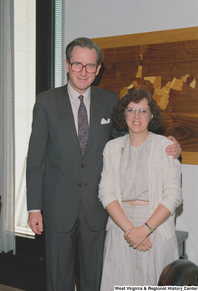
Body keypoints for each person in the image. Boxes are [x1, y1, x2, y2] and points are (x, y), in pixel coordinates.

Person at [26, 38, 181, 291]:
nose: (83, 71)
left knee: (96, 279)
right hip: (57, 208)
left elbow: (130, 140)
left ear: (98, 69)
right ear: (67, 65)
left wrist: (172, 148)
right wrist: (34, 208)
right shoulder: (46, 102)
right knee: (58, 279)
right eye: (78, 64)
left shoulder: (110, 100)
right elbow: (35, 159)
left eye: (90, 66)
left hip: (97, 210)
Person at [98, 88, 182, 289]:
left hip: (155, 228)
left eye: (143, 111)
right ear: (124, 114)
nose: (137, 116)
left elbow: (173, 195)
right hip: (121, 228)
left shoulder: (165, 146)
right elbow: (106, 191)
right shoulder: (111, 148)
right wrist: (131, 231)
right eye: (131, 110)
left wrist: (144, 230)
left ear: (151, 115)